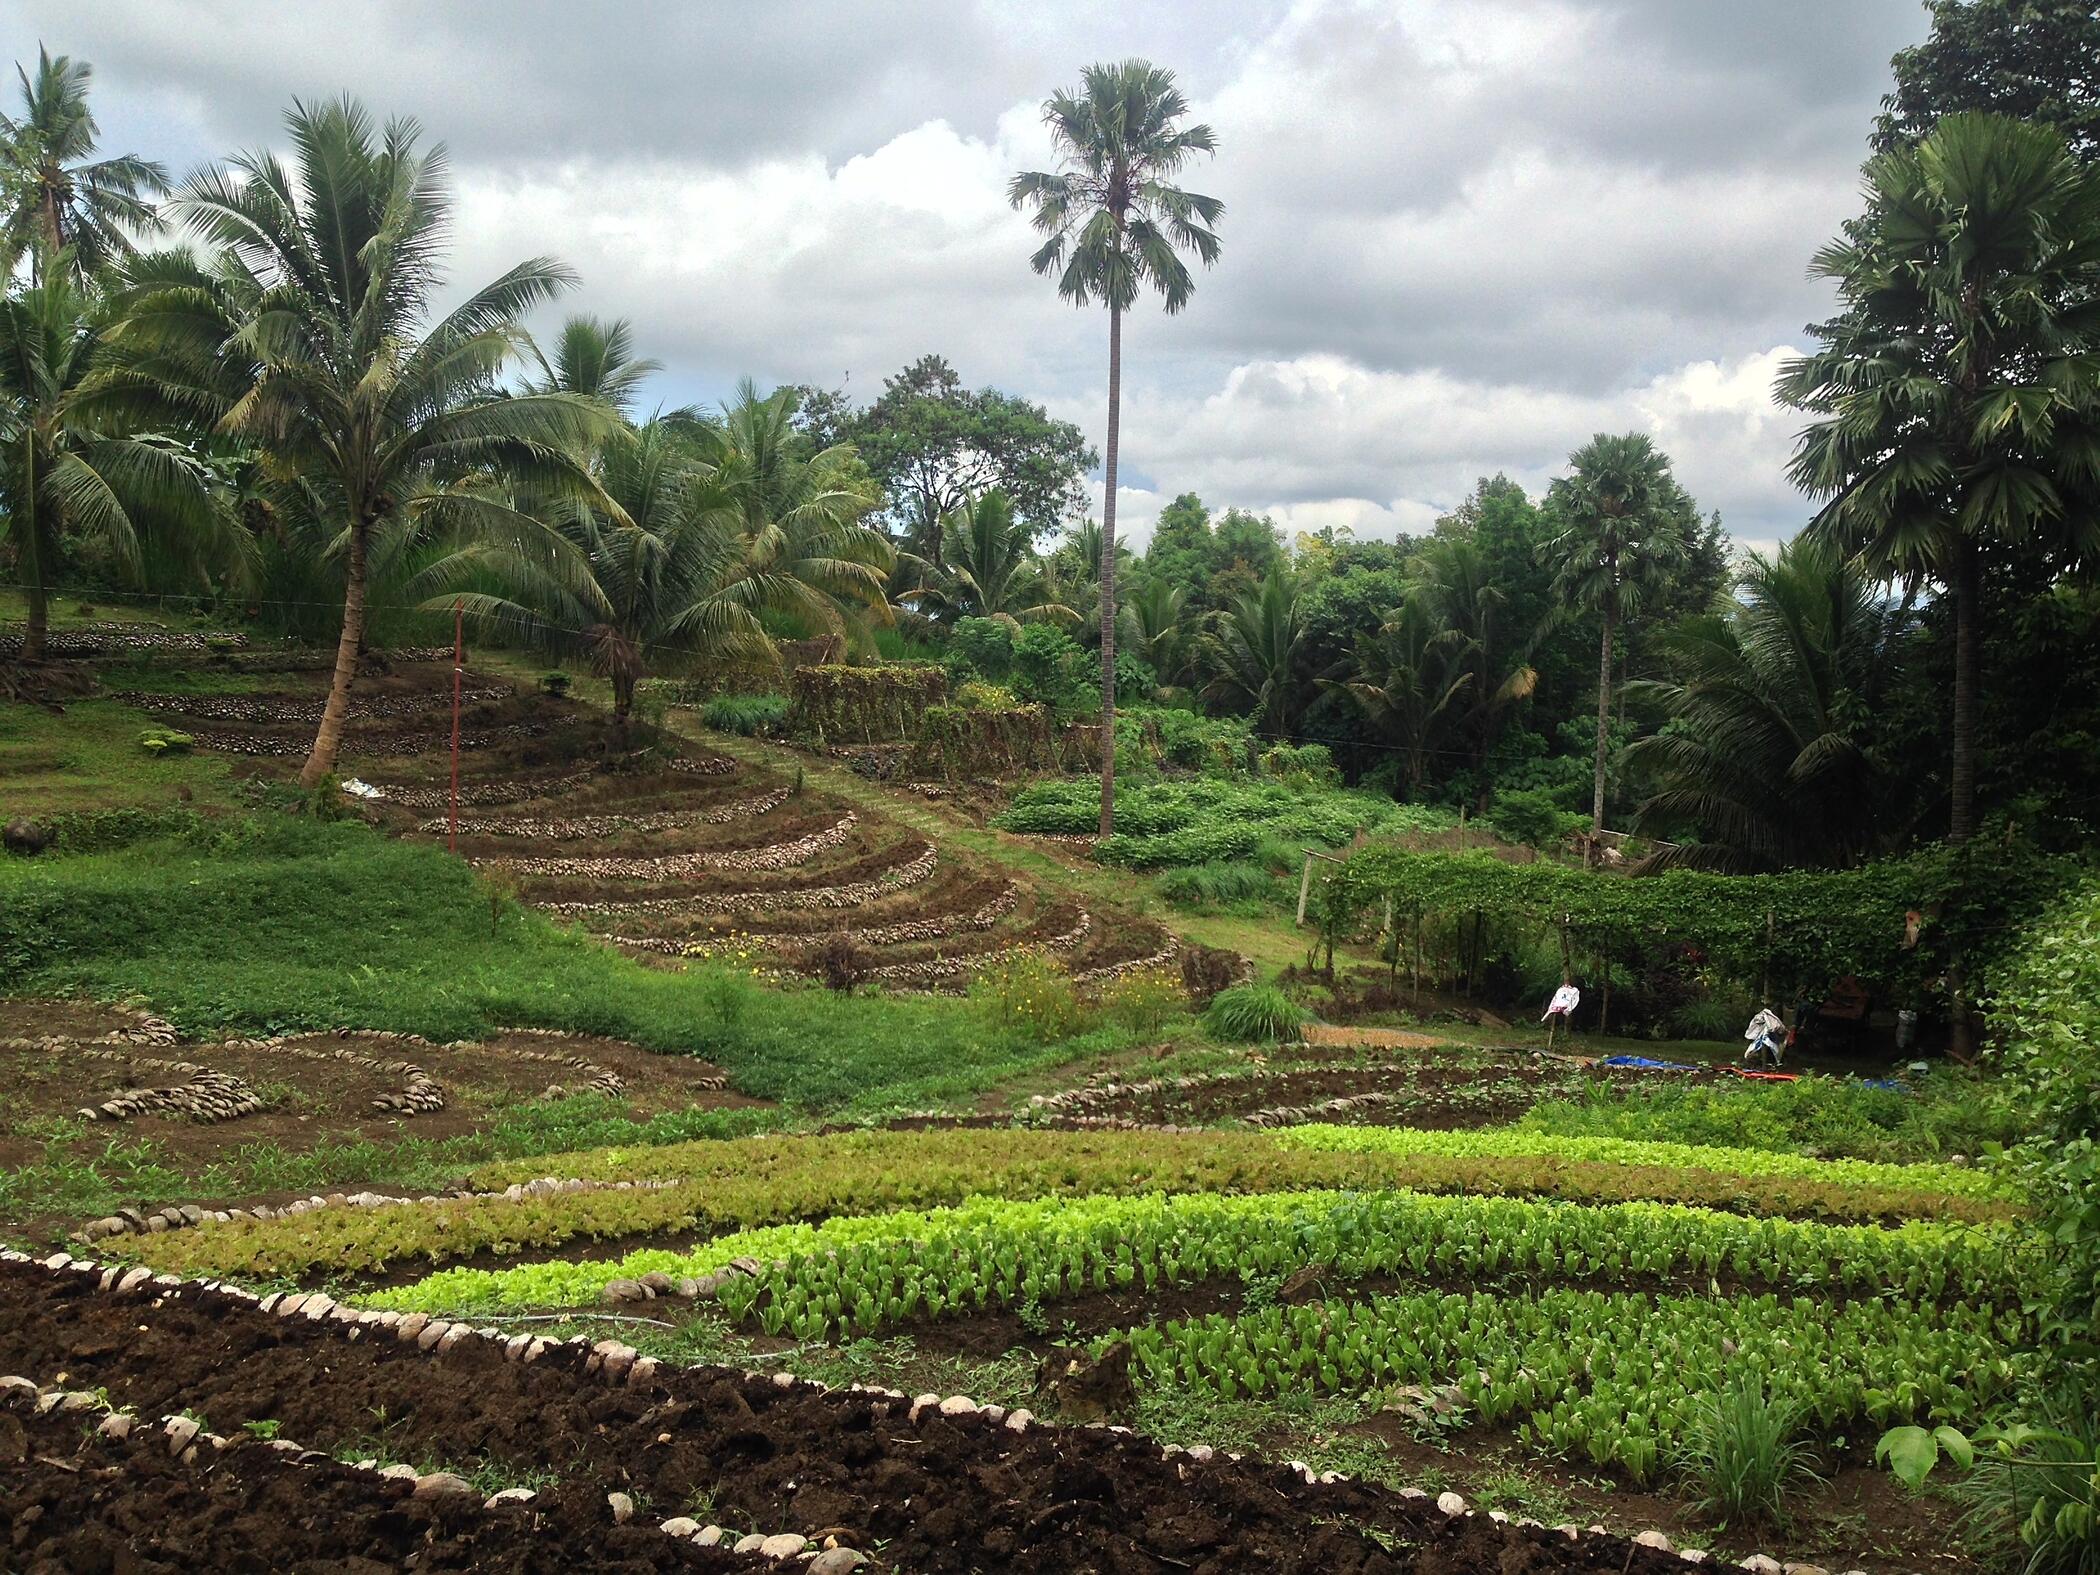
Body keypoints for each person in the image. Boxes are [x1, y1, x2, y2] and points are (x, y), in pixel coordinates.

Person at [1541, 979, 1580, 1048]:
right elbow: (1555, 999)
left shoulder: (1574, 991)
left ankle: (1561, 1037)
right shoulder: (1560, 990)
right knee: (1554, 1023)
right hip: (1557, 1007)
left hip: (1564, 1008)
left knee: (1562, 1022)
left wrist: (1568, 1009)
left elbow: (1574, 1001)